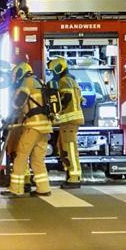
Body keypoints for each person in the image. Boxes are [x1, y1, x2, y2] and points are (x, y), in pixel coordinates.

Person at [1, 62, 52, 198]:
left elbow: (18, 102)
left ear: (20, 72)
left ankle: (16, 189)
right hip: (45, 127)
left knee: (21, 157)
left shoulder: (27, 83)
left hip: (33, 126)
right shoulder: (39, 82)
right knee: (37, 159)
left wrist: (13, 100)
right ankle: (43, 188)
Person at [48, 57, 84, 188]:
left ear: (59, 69)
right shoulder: (72, 80)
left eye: (53, 71)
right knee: (63, 148)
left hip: (69, 121)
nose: (53, 74)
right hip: (68, 121)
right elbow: (81, 99)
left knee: (70, 149)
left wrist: (54, 109)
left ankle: (74, 178)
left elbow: (66, 98)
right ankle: (70, 174)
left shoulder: (64, 81)